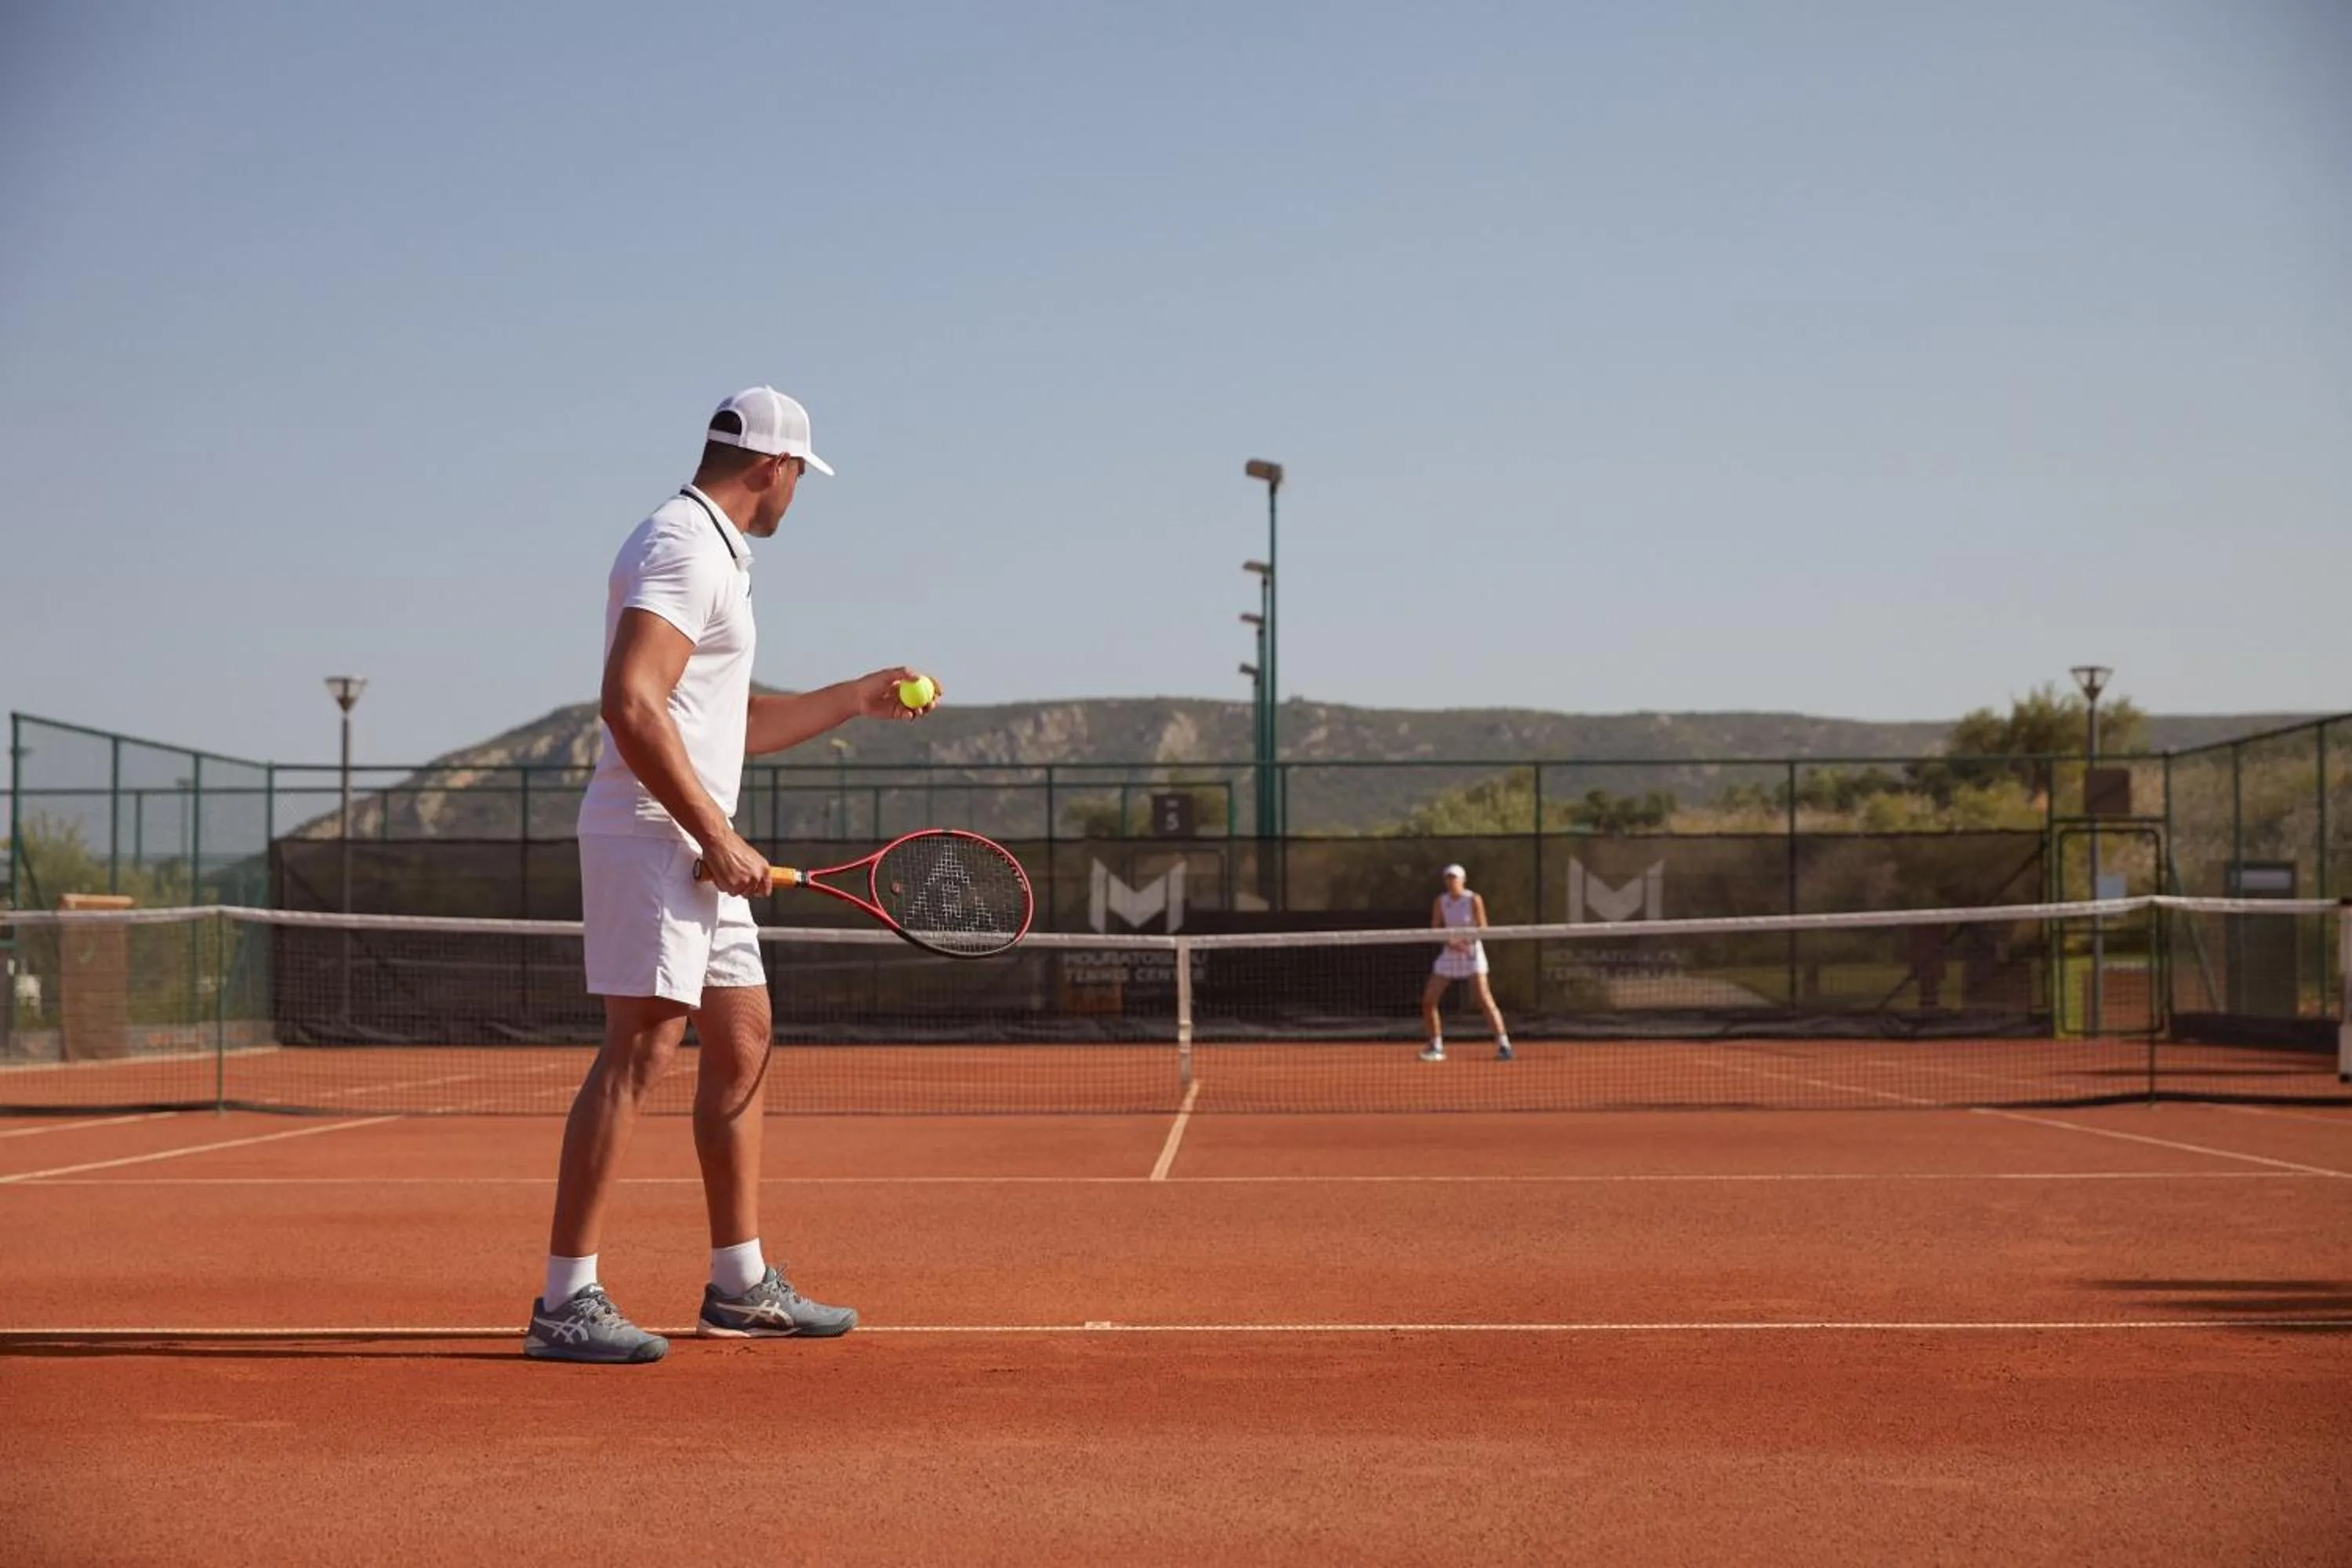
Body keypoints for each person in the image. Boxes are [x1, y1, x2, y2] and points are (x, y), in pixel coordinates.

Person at [524, 387, 938, 1364]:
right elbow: (630, 700)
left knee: (744, 1033)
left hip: (694, 835)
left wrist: (852, 697)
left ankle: (740, 1283)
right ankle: (564, 1298)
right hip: (652, 830)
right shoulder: (681, 543)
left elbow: (725, 720)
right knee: (642, 1047)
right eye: (801, 475)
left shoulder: (716, 553)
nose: (799, 492)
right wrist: (712, 832)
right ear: (773, 467)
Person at [1418, 863, 1513, 1062]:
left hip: (1472, 953)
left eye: (1455, 878)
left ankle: (1504, 1045)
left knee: (1484, 1000)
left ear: (1463, 880)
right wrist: (1451, 942)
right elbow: (1436, 927)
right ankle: (1436, 1046)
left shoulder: (1473, 899)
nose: (1451, 881)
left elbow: (1483, 926)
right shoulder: (1441, 901)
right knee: (1429, 1000)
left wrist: (1467, 941)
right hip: (1449, 954)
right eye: (1448, 878)